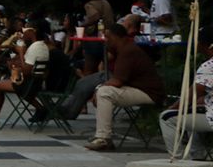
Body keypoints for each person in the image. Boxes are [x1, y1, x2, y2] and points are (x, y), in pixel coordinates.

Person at [86, 23, 166, 151]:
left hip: (149, 93)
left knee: (104, 92)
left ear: (117, 37)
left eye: (108, 38)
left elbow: (117, 81)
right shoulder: (125, 49)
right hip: (140, 89)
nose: (106, 41)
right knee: (104, 90)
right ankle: (103, 136)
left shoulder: (128, 51)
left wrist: (97, 89)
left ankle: (103, 138)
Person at [0, 23, 50, 128]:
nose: (23, 31)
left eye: (25, 29)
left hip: (25, 84)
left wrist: (20, 53)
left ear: (33, 31)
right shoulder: (43, 46)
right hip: (35, 82)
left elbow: (26, 71)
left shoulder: (34, 48)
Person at [159, 27, 212, 158]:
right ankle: (197, 156)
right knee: (193, 110)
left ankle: (177, 161)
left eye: (197, 41)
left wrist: (173, 107)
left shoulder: (209, 66)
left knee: (167, 117)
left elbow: (191, 96)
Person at [75, 0, 114, 72]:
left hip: (96, 38)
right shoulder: (105, 2)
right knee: (107, 68)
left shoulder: (89, 4)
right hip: (109, 36)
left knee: (89, 70)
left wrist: (83, 25)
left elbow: (95, 16)